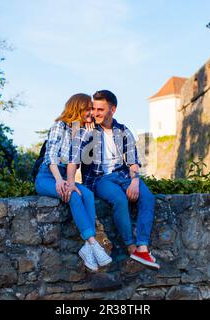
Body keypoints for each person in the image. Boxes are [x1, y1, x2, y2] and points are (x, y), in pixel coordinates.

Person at [69, 90, 160, 270]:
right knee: (119, 199)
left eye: (100, 109)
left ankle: (142, 247)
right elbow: (74, 159)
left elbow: (133, 161)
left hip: (124, 175)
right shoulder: (85, 129)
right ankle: (131, 247)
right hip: (99, 179)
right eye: (94, 109)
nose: (95, 113)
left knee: (148, 197)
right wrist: (69, 181)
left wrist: (134, 182)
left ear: (113, 109)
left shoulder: (123, 130)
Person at [35, 93, 112, 271]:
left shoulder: (81, 130)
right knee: (73, 196)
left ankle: (87, 248)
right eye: (88, 108)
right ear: (77, 108)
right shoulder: (59, 126)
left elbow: (78, 162)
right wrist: (59, 181)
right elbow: (50, 156)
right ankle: (92, 243)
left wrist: (89, 135)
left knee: (87, 194)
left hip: (65, 175)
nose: (91, 112)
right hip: (48, 176)